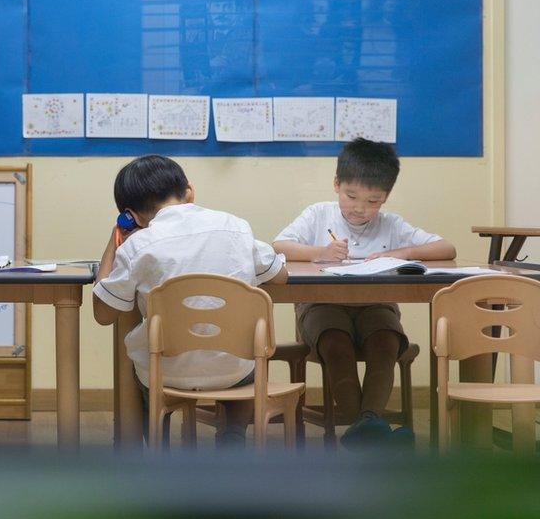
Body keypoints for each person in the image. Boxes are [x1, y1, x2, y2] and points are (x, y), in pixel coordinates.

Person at [92, 155, 288, 448]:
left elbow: (103, 313)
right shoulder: (235, 227)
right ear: (189, 191)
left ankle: (160, 448)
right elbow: (280, 275)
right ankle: (233, 436)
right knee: (247, 362)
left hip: (167, 372)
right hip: (235, 368)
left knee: (143, 364)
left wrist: (116, 239)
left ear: (130, 215)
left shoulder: (137, 246)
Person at [272, 138, 456, 449]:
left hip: (376, 306)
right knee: (336, 342)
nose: (360, 208)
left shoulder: (391, 224)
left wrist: (402, 252)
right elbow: (278, 247)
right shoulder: (319, 214)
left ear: (386, 197)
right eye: (351, 196)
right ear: (336, 185)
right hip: (321, 307)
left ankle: (366, 427)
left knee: (385, 342)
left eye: (374, 201)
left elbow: (447, 248)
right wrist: (320, 252)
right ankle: (372, 430)